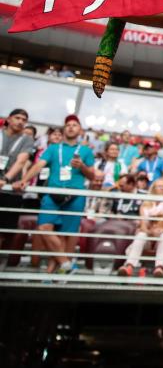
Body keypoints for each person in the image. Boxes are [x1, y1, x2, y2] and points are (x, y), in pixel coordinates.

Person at [14, 114, 97, 274]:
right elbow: (39, 165)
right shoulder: (52, 148)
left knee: (65, 235)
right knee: (44, 227)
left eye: (74, 125)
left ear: (80, 130)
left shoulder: (86, 151)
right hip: (52, 194)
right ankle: (66, 263)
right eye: (68, 125)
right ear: (64, 129)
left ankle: (51, 273)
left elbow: (92, 176)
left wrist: (82, 167)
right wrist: (24, 180)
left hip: (75, 196)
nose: (71, 127)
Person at [118, 178, 163, 277]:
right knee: (141, 234)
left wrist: (161, 230)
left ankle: (159, 268)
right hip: (148, 237)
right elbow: (143, 226)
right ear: (153, 189)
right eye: (160, 186)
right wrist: (150, 232)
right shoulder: (145, 204)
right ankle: (129, 266)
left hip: (160, 236)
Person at [0, 108, 35, 255]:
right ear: (9, 119)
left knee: (3, 230)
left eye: (24, 120)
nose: (20, 122)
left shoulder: (26, 139)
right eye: (17, 118)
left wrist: (5, 178)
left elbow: (21, 161)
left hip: (10, 191)